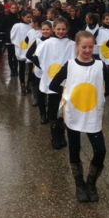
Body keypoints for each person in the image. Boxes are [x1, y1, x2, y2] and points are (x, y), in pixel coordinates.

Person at [49, 31, 109, 202]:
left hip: (92, 115)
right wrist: (69, 97)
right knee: (74, 149)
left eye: (90, 47)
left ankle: (91, 182)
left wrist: (96, 98)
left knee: (100, 150)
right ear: (76, 46)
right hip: (74, 115)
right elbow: (54, 84)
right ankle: (79, 184)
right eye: (84, 47)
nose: (87, 50)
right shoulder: (70, 65)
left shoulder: (100, 65)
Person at [34, 17, 76, 150]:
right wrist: (45, 69)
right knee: (53, 108)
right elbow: (36, 57)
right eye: (58, 29)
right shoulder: (46, 44)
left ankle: (62, 134)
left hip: (66, 82)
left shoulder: (71, 44)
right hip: (51, 81)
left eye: (64, 29)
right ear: (53, 29)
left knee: (64, 109)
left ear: (67, 29)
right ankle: (54, 136)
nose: (61, 31)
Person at [26, 21, 52, 124]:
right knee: (41, 94)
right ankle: (42, 114)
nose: (45, 31)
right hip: (40, 72)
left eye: (47, 29)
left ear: (51, 30)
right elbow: (28, 55)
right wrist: (38, 62)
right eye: (43, 29)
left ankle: (50, 113)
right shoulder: (37, 41)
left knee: (51, 93)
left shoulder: (54, 41)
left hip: (52, 71)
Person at [11, 9, 33, 94]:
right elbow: (13, 37)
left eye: (30, 17)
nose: (29, 19)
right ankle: (22, 85)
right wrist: (19, 44)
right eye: (27, 17)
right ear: (22, 17)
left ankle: (29, 85)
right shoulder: (17, 26)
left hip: (30, 50)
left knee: (31, 69)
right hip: (21, 49)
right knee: (22, 68)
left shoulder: (32, 25)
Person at [24, 15, 43, 105]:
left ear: (36, 23)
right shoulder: (30, 32)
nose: (30, 23)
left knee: (41, 78)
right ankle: (35, 97)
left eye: (32, 22)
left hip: (40, 60)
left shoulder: (41, 33)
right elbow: (26, 40)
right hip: (31, 59)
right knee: (33, 78)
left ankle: (43, 97)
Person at [3, 4, 20, 76]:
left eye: (15, 8)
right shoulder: (6, 18)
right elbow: (3, 27)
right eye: (12, 8)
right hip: (9, 38)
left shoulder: (18, 18)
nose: (13, 9)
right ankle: (12, 70)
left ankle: (15, 69)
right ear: (10, 9)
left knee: (15, 55)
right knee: (10, 55)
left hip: (17, 38)